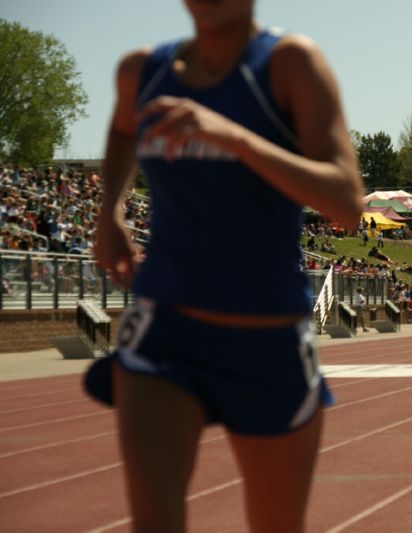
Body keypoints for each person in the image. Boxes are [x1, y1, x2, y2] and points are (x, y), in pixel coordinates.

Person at [85, 1, 364, 530]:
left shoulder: (289, 64)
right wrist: (110, 211)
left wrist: (232, 137)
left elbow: (347, 202)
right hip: (166, 333)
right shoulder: (144, 72)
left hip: (267, 339)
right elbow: (124, 130)